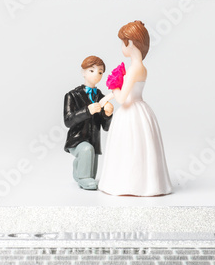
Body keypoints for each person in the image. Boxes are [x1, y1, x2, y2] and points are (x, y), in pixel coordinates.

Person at [97, 20, 173, 197]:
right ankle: (142, 182)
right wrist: (107, 96)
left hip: (130, 111)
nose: (121, 47)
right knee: (138, 148)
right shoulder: (141, 68)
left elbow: (122, 98)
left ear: (130, 43)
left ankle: (130, 184)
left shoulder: (134, 69)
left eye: (122, 43)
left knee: (130, 148)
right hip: (139, 109)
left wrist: (114, 86)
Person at [63, 56, 114, 190]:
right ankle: (82, 177)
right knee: (86, 150)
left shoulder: (101, 98)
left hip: (94, 141)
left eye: (100, 72)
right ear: (83, 72)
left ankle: (78, 169)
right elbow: (68, 121)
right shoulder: (72, 95)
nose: (96, 74)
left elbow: (106, 127)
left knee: (91, 173)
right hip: (77, 139)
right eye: (92, 70)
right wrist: (87, 111)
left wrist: (108, 115)